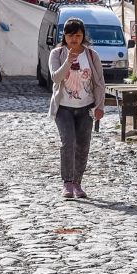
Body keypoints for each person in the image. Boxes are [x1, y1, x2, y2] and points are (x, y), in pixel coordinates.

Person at [48, 17, 105, 199]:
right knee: (68, 142)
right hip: (63, 107)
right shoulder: (57, 54)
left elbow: (99, 83)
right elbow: (56, 78)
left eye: (78, 35)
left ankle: (78, 183)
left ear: (83, 36)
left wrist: (99, 106)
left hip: (86, 108)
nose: (74, 39)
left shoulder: (91, 55)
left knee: (83, 145)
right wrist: (68, 61)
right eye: (70, 35)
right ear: (64, 36)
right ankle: (67, 183)